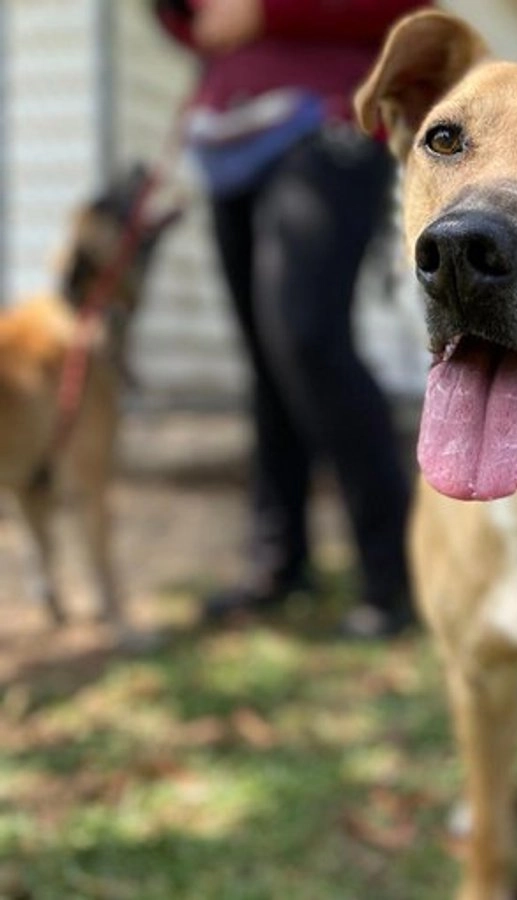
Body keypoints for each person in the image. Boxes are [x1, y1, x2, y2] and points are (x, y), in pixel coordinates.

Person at [153, 0, 429, 638]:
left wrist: (266, 12)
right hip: (230, 137)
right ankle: (278, 565)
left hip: (326, 122)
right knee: (267, 357)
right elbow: (188, 21)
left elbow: (408, 14)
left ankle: (395, 575)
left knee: (309, 338)